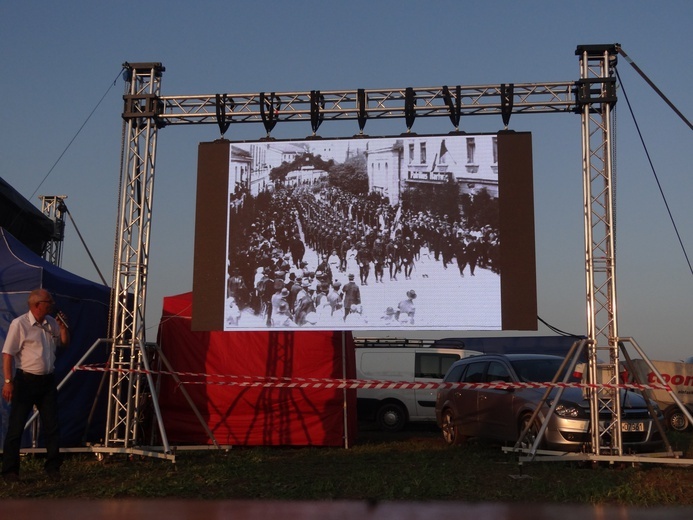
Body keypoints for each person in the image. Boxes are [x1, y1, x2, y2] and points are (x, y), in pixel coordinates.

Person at [2, 289, 70, 482]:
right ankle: (10, 471)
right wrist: (8, 381)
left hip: (47, 380)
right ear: (37, 305)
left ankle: (53, 467)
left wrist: (64, 329)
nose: (52, 305)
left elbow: (64, 344)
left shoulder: (51, 323)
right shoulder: (20, 324)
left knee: (52, 426)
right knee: (16, 427)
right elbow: (7, 354)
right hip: (26, 380)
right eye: (49, 302)